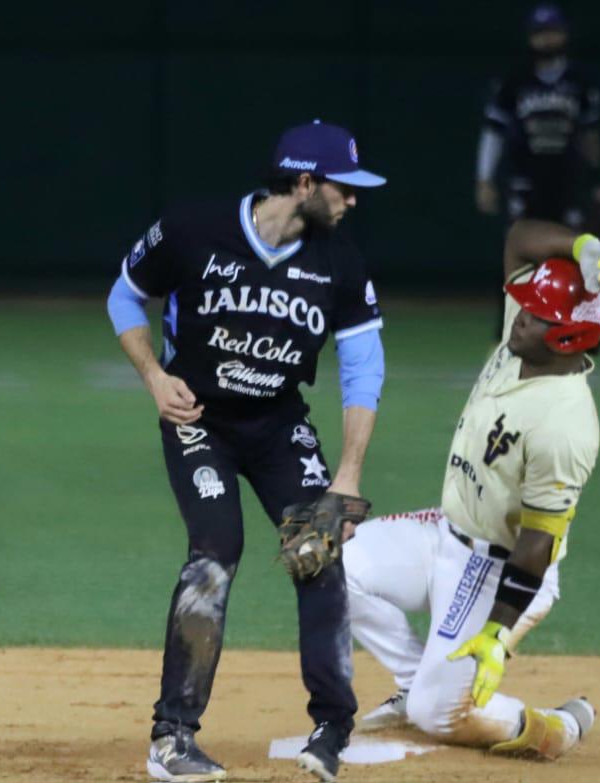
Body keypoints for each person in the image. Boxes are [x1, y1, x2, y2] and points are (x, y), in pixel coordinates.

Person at [106, 120, 387, 783]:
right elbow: (126, 295)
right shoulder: (193, 230)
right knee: (215, 551)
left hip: (279, 424)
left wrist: (347, 474)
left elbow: (363, 368)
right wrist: (153, 377)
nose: (353, 200)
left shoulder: (339, 262)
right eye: (344, 187)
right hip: (198, 417)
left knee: (315, 548)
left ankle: (331, 725)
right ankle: (172, 735)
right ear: (305, 181)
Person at [341, 220, 600, 759]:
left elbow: (537, 545)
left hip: (502, 568)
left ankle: (555, 728)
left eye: (536, 314)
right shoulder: (532, 337)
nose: (518, 319)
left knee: (439, 715)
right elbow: (519, 237)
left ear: (569, 336)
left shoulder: (565, 425)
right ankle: (414, 682)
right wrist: (585, 246)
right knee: (331, 563)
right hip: (444, 531)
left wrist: (496, 634)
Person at [476, 4, 600, 231]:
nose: (546, 40)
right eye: (539, 33)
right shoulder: (514, 81)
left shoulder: (580, 81)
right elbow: (493, 131)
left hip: (568, 179)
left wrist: (598, 181)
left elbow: (590, 136)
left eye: (552, 31)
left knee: (569, 251)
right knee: (525, 249)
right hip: (525, 178)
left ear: (565, 34)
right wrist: (484, 179)